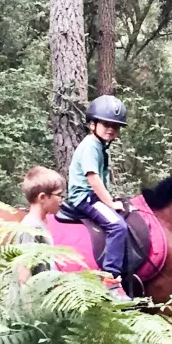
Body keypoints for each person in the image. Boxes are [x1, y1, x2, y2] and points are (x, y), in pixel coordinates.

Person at [67, 95, 129, 297]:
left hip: (92, 196)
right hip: (85, 198)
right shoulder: (91, 146)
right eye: (106, 124)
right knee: (118, 226)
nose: (111, 129)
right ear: (92, 124)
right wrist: (110, 203)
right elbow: (93, 179)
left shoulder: (100, 146)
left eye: (115, 126)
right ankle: (110, 281)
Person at [10, 166, 64, 304]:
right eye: (59, 195)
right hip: (34, 306)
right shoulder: (31, 227)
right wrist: (31, 310)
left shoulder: (39, 224)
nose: (61, 200)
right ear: (43, 197)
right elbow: (24, 272)